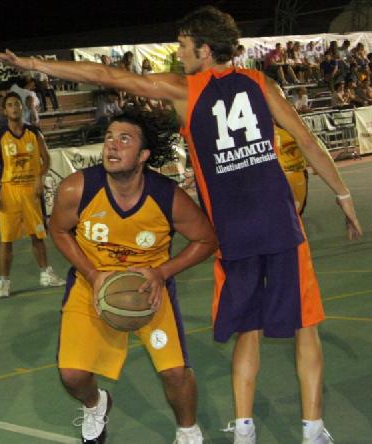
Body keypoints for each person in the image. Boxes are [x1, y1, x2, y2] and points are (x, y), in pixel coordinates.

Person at [0, 6, 362, 444]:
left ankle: (244, 430)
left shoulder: (185, 90)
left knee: (248, 330)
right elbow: (307, 140)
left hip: (233, 232)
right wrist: (343, 194)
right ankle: (313, 430)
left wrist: (32, 63)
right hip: (280, 222)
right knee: (305, 329)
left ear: (204, 49)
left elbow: (106, 76)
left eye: (183, 47)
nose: (178, 55)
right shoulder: (261, 83)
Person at [48, 110, 218, 444]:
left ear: (143, 156)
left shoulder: (167, 197)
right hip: (91, 285)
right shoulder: (77, 188)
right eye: (109, 137)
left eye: (124, 139)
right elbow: (59, 230)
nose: (112, 144)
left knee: (175, 372)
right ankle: (96, 404)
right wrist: (93, 273)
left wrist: (162, 273)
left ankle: (187, 431)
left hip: (148, 289)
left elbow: (207, 239)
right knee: (72, 375)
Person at [0, 91, 66, 299]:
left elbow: (46, 159)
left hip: (31, 191)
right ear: (4, 111)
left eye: (17, 104)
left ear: (22, 108)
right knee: (6, 240)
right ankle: (4, 282)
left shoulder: (34, 132)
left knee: (37, 236)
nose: (14, 108)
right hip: (9, 192)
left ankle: (46, 274)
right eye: (10, 105)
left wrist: (40, 177)